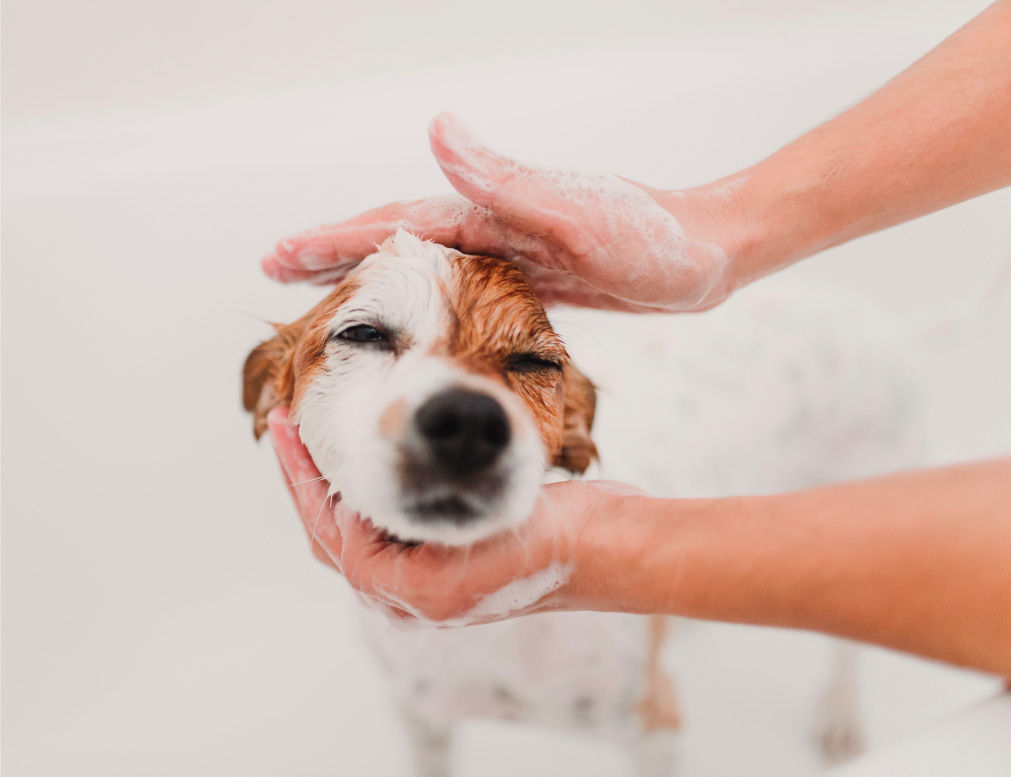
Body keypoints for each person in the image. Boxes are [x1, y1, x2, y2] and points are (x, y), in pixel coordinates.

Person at [261, 1, 1011, 676]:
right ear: (277, 396)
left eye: (527, 364)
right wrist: (720, 230)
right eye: (362, 336)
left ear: (571, 433)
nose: (458, 407)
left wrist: (601, 549)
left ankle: (845, 680)